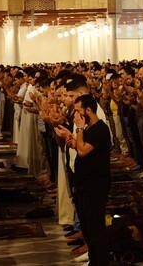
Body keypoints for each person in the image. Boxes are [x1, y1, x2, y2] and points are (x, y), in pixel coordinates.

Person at [55, 94, 111, 266]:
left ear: (88, 110)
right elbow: (78, 146)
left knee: (96, 230)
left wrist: (78, 130)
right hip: (84, 184)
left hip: (95, 185)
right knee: (87, 229)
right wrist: (69, 137)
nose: (75, 115)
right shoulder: (88, 128)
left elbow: (83, 151)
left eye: (78, 111)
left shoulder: (100, 129)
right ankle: (94, 260)